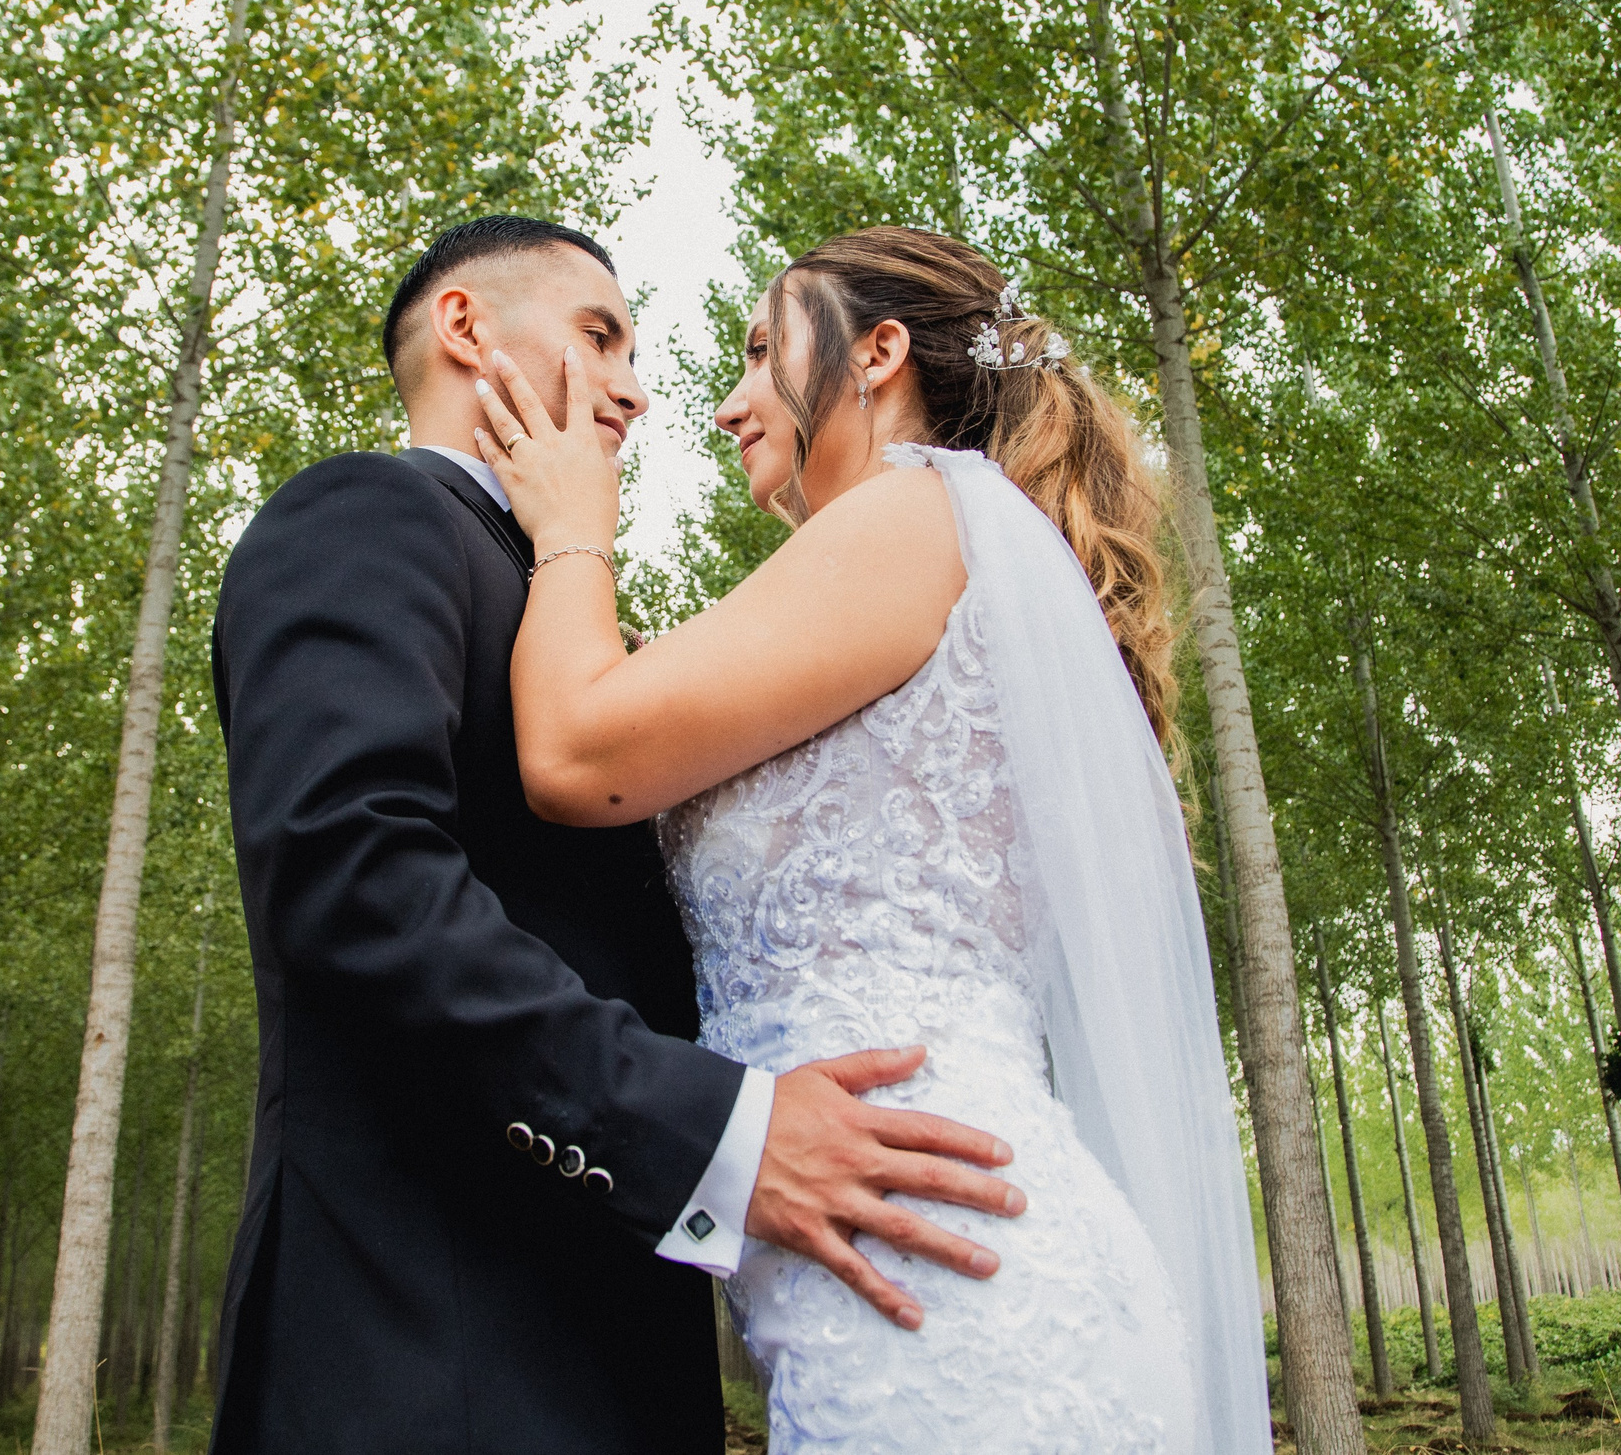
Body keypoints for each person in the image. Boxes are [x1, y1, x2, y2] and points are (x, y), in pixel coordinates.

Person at [205, 216, 1023, 1455]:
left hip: (617, 1344)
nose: (642, 391)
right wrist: (712, 1134)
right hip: (427, 1358)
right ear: (467, 329)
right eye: (602, 336)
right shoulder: (368, 514)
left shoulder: (566, 613)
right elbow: (349, 874)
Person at [472, 225, 1271, 1454]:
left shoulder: (909, 514)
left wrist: (575, 526)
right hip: (923, 1248)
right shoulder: (951, 558)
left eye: (755, 351)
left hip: (943, 1279)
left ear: (877, 351)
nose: (730, 406)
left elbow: (578, 755)